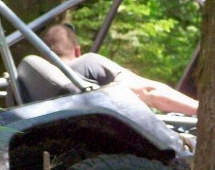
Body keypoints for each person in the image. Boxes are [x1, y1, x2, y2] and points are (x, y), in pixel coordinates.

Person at [41, 24, 198, 116]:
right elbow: (149, 92)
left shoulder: (38, 84)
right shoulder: (88, 63)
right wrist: (201, 110)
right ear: (77, 50)